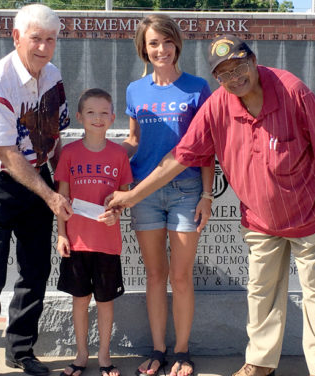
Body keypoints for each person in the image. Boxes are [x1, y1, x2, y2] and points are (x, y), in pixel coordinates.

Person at [107, 34, 315, 376]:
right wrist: (132, 196)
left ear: (253, 60)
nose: (235, 78)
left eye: (239, 67)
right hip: (261, 221)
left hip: (309, 217)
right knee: (261, 297)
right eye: (224, 74)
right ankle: (261, 364)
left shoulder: (292, 90)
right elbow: (179, 157)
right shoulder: (219, 104)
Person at [0, 4, 73, 376]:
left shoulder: (53, 75)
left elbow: (55, 136)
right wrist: (52, 195)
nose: (43, 47)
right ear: (16, 37)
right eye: (36, 38)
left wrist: (61, 184)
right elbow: (8, 153)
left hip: (38, 178)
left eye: (51, 40)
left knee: (36, 269)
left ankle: (21, 350)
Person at [121, 14, 214, 376]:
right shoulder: (135, 90)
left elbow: (207, 146)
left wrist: (207, 194)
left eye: (167, 41)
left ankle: (181, 352)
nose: (161, 49)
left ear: (177, 44)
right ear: (144, 48)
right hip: (144, 191)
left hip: (186, 191)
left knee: (180, 277)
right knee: (155, 276)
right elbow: (133, 140)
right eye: (153, 43)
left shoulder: (197, 87)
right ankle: (158, 350)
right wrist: (100, 159)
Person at [54, 88, 133, 376]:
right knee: (80, 301)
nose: (97, 118)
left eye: (103, 113)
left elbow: (122, 198)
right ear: (79, 117)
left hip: (107, 244)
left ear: (112, 117)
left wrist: (116, 213)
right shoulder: (70, 154)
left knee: (105, 302)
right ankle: (81, 354)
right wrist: (61, 234)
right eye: (91, 112)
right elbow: (60, 199)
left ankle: (104, 356)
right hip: (77, 243)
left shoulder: (118, 155)